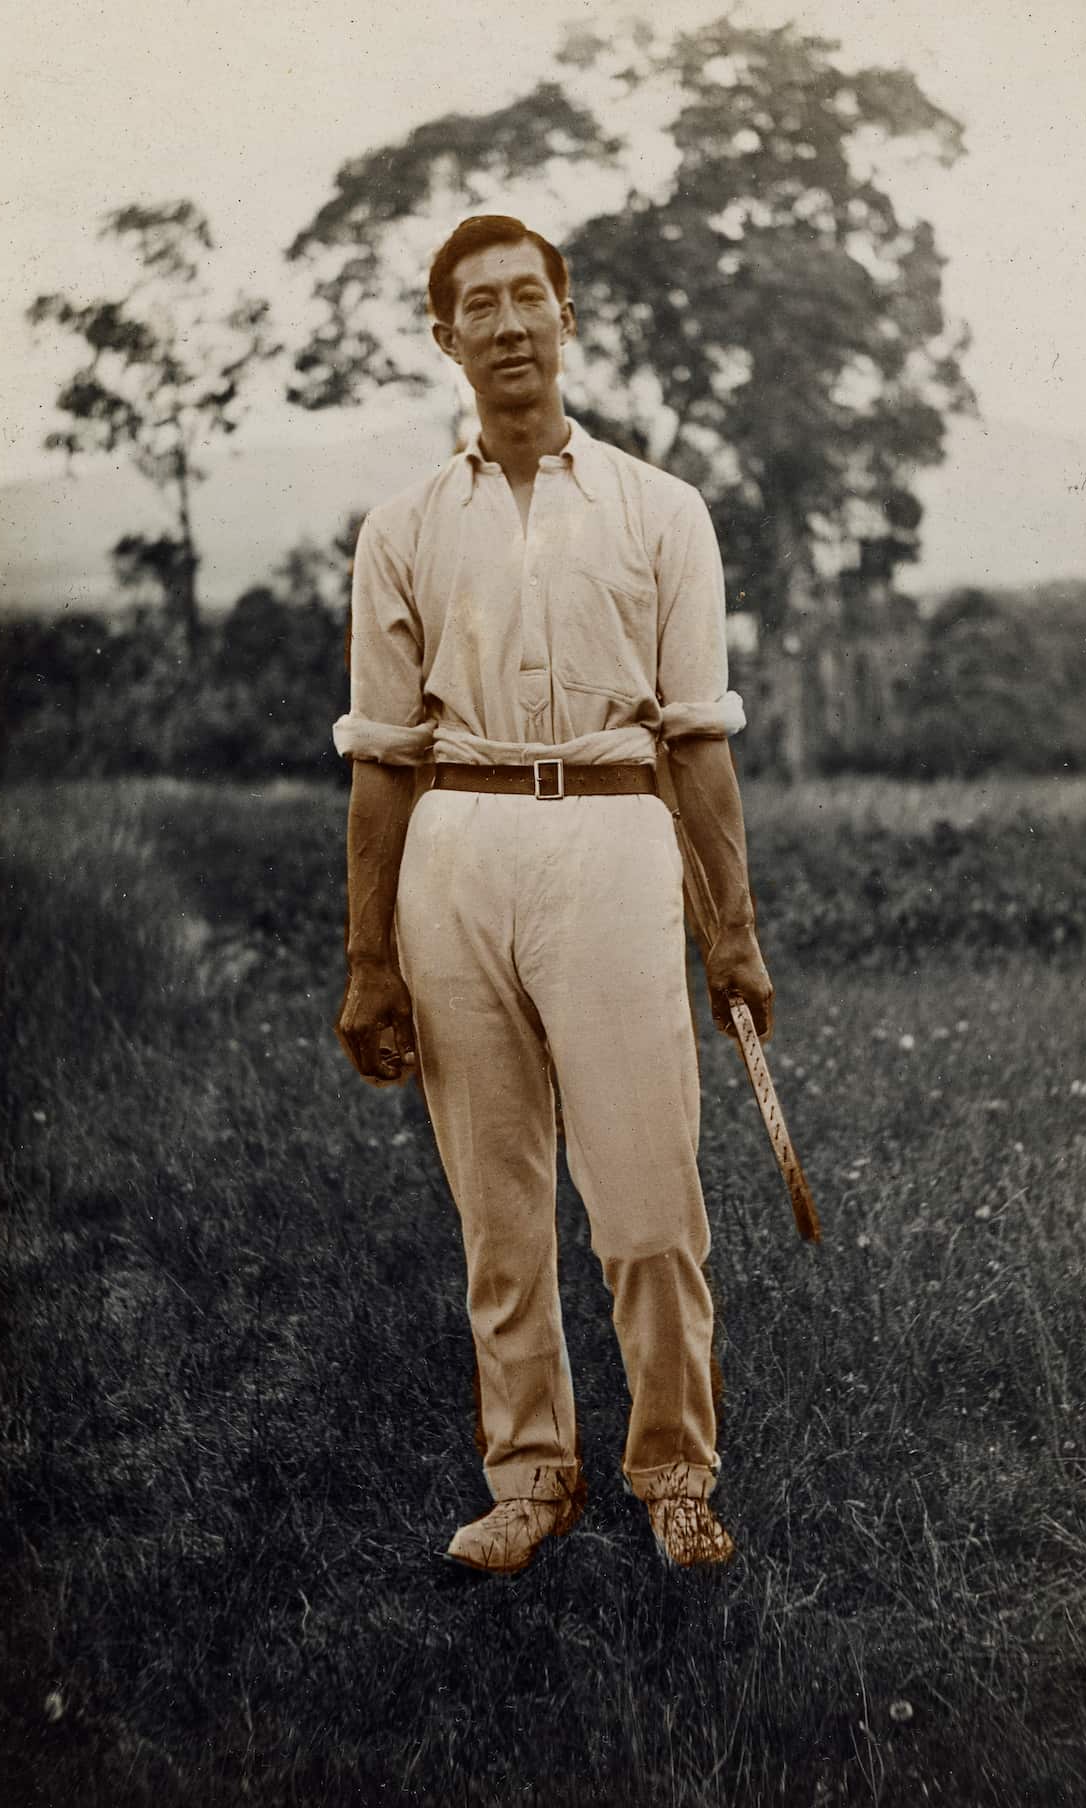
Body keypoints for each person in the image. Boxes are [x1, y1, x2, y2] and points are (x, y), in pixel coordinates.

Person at [333, 214, 773, 1576]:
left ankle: (676, 1477)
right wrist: (368, 961)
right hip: (455, 847)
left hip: (614, 834)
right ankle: (529, 1481)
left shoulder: (660, 509)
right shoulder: (404, 526)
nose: (510, 324)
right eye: (481, 305)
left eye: (531, 297)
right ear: (445, 337)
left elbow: (696, 740)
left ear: (566, 319)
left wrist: (733, 934)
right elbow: (382, 759)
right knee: (499, 1208)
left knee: (646, 1202)